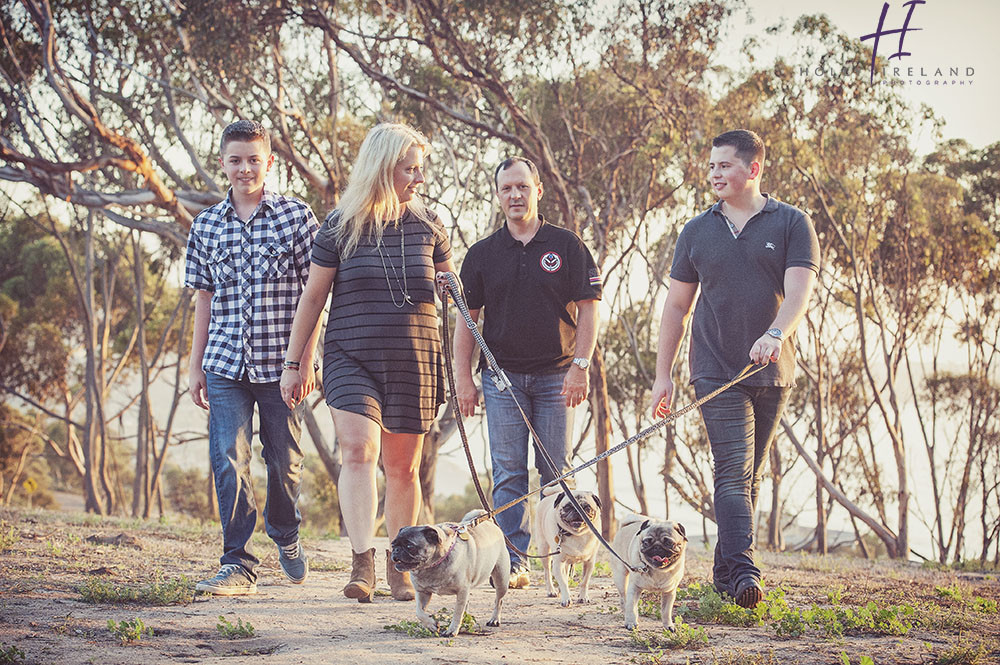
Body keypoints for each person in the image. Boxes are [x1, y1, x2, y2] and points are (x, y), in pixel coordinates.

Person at [280, 123, 456, 603]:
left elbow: (452, 290)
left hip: (415, 360)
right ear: (384, 168)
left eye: (421, 168)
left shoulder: (431, 226)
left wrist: (452, 290)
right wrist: (295, 363)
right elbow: (313, 298)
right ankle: (362, 562)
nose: (419, 178)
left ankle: (403, 565)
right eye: (410, 169)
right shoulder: (339, 225)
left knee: (403, 467)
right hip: (350, 354)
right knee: (358, 451)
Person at [650, 129, 819, 608]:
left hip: (772, 371)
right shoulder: (696, 231)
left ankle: (725, 573)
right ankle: (745, 570)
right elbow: (676, 309)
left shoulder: (791, 223)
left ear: (754, 169)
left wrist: (776, 334)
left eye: (724, 165)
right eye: (711, 166)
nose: (715, 174)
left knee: (750, 477)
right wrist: (664, 376)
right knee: (731, 471)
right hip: (714, 369)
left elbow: (800, 292)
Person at [185, 119, 321, 596]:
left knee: (283, 461)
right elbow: (204, 297)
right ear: (221, 163)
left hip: (281, 366)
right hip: (224, 364)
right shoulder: (205, 225)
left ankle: (285, 532)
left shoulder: (296, 217)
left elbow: (316, 293)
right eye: (235, 159)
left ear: (268, 162)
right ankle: (237, 562)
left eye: (253, 159)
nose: (245, 168)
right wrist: (196, 363)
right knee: (228, 459)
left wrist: (305, 362)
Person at [454, 157, 601, 589]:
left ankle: (563, 557)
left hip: (559, 376)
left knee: (556, 473)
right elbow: (467, 319)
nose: (515, 196)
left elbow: (589, 310)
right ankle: (513, 560)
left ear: (538, 189)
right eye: (506, 189)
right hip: (501, 379)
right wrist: (465, 379)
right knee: (508, 472)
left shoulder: (567, 245)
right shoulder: (482, 254)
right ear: (498, 196)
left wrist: (581, 366)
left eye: (522, 187)